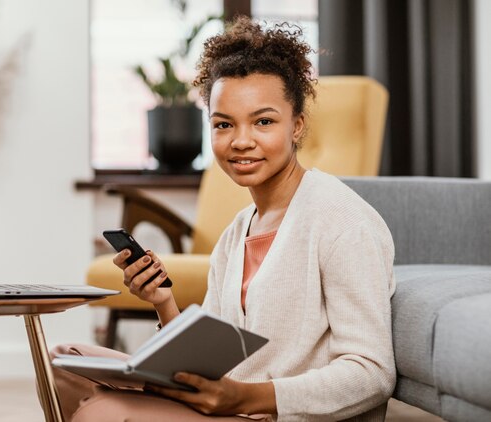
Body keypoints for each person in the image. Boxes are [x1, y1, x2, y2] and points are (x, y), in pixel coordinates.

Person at [51, 16, 396, 422]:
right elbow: (208, 361)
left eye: (263, 121)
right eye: (223, 125)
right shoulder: (238, 231)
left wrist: (247, 399)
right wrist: (163, 302)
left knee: (104, 411)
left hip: (271, 413)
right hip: (225, 407)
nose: (241, 141)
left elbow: (373, 374)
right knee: (64, 361)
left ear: (297, 126)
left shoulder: (343, 220)